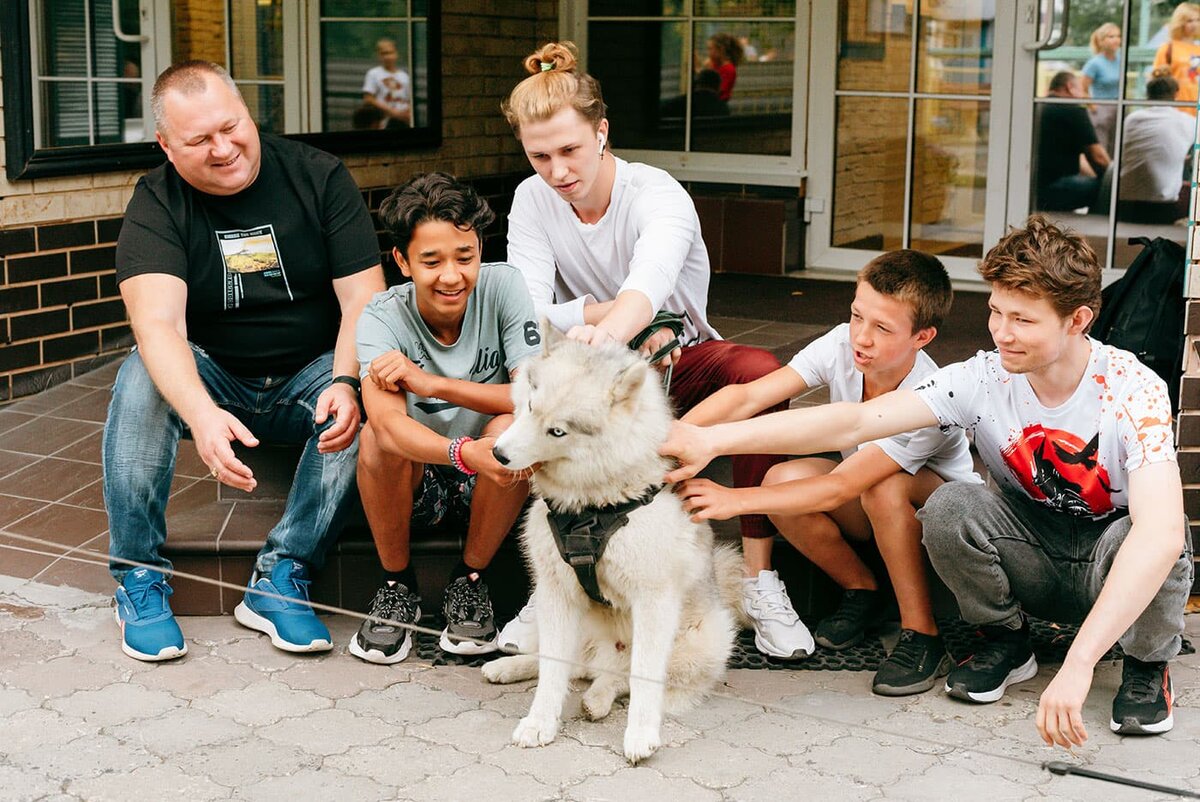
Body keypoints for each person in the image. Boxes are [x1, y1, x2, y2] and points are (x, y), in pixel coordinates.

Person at [662, 216, 1191, 745]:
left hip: (1109, 565)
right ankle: (1005, 641)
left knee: (1159, 536)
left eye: (1023, 320)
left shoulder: (1131, 387)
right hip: (1032, 555)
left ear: (1076, 320)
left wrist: (1078, 665)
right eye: (995, 312)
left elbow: (1161, 534)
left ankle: (1146, 665)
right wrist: (713, 441)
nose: (1002, 333)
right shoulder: (982, 377)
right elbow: (852, 423)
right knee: (952, 506)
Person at [495, 41, 784, 653]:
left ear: (602, 133)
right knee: (524, 411)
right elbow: (526, 307)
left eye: (570, 149)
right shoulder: (530, 199)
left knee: (761, 373)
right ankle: (553, 588)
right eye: (539, 155)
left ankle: (761, 577)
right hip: (584, 371)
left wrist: (597, 329)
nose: (557, 170)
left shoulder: (657, 193)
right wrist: (587, 339)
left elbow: (645, 292)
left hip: (678, 363)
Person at [107, 61, 385, 661]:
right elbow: (158, 324)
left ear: (248, 114)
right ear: (166, 145)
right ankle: (138, 576)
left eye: (231, 127)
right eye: (199, 140)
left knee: (373, 391)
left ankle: (281, 575)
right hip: (216, 378)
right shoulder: (157, 200)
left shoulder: (318, 177)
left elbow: (364, 300)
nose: (223, 147)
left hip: (311, 371)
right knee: (140, 378)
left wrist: (345, 380)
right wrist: (202, 414)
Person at [675, 250, 981, 691]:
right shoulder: (841, 344)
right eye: (858, 316)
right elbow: (749, 397)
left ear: (922, 336)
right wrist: (675, 435)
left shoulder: (928, 395)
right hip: (868, 513)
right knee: (779, 481)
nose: (862, 337)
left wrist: (733, 501)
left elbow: (841, 486)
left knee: (884, 486)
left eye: (882, 328)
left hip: (936, 529)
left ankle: (922, 633)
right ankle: (862, 588)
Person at [350, 173, 540, 663]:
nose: (451, 275)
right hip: (418, 484)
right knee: (374, 441)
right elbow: (389, 428)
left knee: (518, 431)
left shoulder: (504, 286)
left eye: (465, 256)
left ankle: (469, 580)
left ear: (480, 250)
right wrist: (460, 451)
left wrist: (434, 384)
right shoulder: (381, 318)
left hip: (491, 478)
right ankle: (397, 584)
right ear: (402, 262)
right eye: (431, 261)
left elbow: (535, 396)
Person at [1117, 70, 1195, 224]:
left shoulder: (1131, 119)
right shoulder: (1188, 121)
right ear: (1176, 94)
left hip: (1125, 204)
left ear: (1148, 95)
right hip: (1163, 207)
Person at [1035, 71, 1111, 212]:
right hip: (1053, 191)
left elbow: (1080, 161)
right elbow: (1098, 158)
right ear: (1070, 87)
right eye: (1081, 91)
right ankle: (1097, 230)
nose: (1083, 97)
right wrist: (1113, 179)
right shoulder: (1073, 111)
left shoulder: (1036, 107)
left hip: (1029, 190)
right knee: (1107, 188)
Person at [1154, 3, 1200, 115]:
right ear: (1180, 23)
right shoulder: (1167, 49)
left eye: (1198, 20)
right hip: (1176, 109)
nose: (1195, 24)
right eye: (1189, 21)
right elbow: (1157, 81)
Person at [1082, 22, 1122, 152]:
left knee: (1117, 146)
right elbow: (1083, 88)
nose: (1116, 39)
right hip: (1102, 107)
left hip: (1119, 106)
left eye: (1118, 36)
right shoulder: (1094, 63)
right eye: (1111, 37)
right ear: (1101, 41)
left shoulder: (1121, 60)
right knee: (1101, 146)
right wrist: (1094, 107)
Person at [362, 37, 412, 129]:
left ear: (396, 54)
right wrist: (393, 112)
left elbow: (409, 100)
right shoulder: (373, 74)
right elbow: (368, 99)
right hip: (382, 122)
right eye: (384, 53)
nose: (387, 57)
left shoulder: (405, 77)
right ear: (379, 55)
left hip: (402, 122)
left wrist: (406, 115)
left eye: (390, 53)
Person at [705, 33, 744, 102]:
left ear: (721, 50)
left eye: (710, 49)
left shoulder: (728, 69)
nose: (708, 53)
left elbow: (719, 91)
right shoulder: (713, 64)